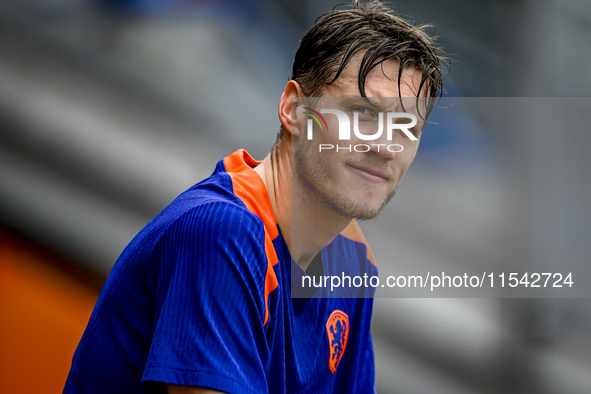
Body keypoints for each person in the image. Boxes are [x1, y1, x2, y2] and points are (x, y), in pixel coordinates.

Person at [64, 1, 445, 393]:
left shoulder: (352, 259)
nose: (385, 147)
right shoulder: (223, 233)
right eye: (363, 113)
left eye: (407, 128)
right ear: (293, 108)